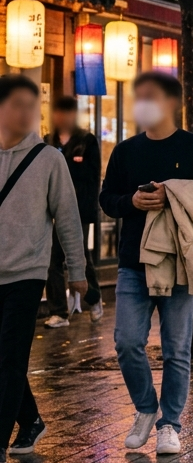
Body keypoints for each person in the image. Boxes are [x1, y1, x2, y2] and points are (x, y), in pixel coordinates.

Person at [99, 72, 193, 456]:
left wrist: (173, 196)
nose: (143, 105)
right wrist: (131, 204)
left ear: (172, 102)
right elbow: (107, 199)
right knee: (127, 341)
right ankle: (145, 409)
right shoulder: (125, 151)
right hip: (133, 262)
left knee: (176, 348)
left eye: (150, 97)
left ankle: (170, 424)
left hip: (180, 262)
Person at [0, 76, 85, 463]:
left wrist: (77, 271)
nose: (25, 113)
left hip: (26, 273)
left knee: (11, 356)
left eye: (30, 106)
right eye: (16, 104)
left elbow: (68, 218)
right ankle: (31, 419)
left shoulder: (49, 159)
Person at [43, 95, 102, 327]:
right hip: (49, 210)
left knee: (77, 255)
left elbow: (91, 176)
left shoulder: (86, 140)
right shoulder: (48, 140)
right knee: (52, 258)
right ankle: (59, 311)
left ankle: (94, 297)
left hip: (78, 209)